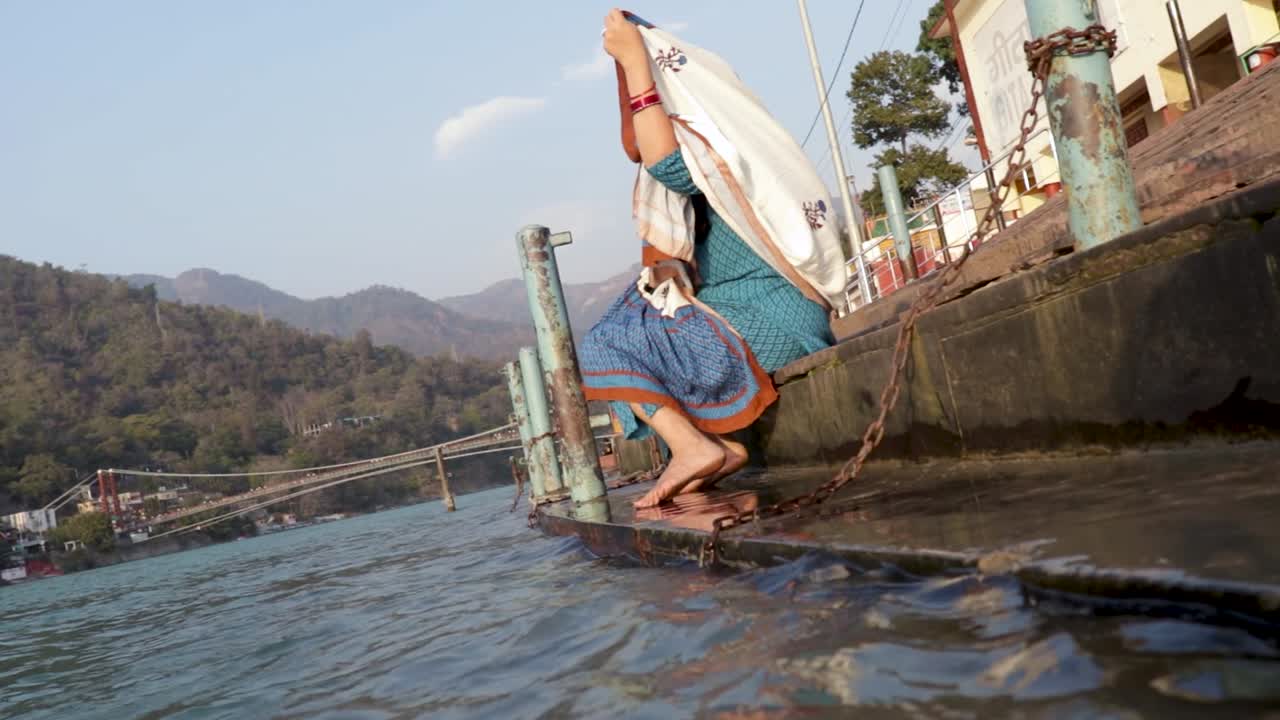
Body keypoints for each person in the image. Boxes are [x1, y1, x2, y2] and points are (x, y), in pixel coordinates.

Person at [579, 10, 845, 508]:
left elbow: (665, 161)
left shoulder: (713, 156)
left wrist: (634, 61)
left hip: (771, 324)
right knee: (633, 313)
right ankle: (711, 451)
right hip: (780, 318)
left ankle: (691, 448)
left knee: (604, 344)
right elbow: (648, 154)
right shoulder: (734, 159)